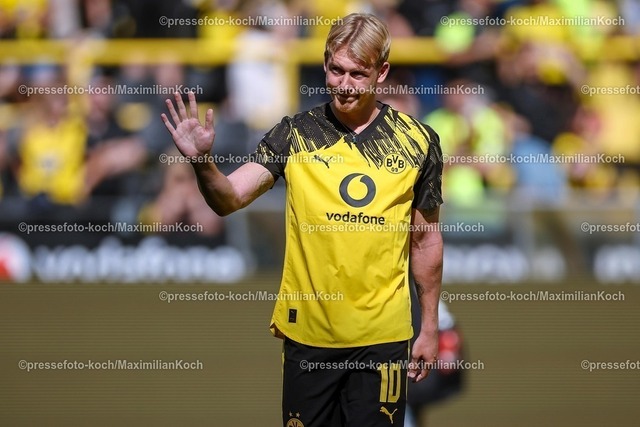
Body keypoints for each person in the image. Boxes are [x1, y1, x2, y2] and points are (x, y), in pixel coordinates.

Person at [161, 13, 443, 427]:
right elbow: (229, 198)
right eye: (336, 70)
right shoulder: (294, 134)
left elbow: (425, 240)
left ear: (381, 73)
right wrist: (202, 162)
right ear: (325, 64)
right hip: (309, 336)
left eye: (357, 74)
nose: (344, 84)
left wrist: (430, 326)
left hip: (382, 337)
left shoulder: (418, 141)